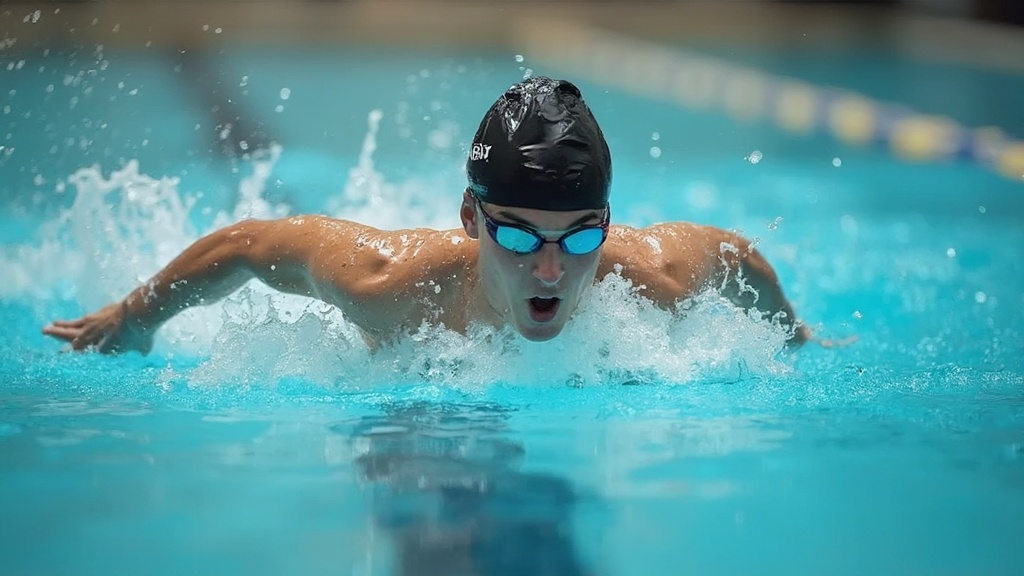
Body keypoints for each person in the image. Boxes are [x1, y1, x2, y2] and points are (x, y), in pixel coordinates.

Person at [42, 77, 810, 354]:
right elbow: (251, 244)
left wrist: (795, 334)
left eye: (578, 237)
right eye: (516, 233)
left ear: (606, 224)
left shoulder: (649, 282)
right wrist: (137, 319)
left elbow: (733, 256)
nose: (551, 269)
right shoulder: (387, 283)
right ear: (471, 220)